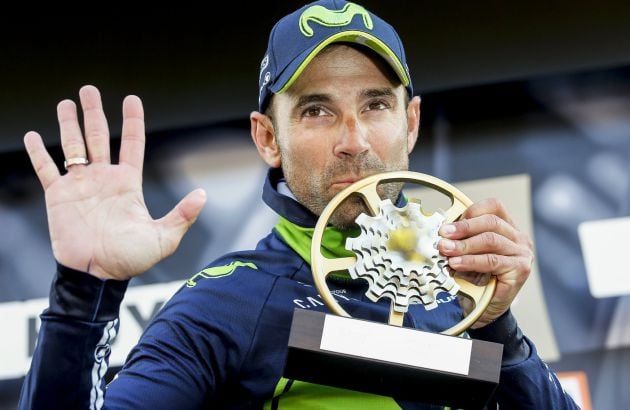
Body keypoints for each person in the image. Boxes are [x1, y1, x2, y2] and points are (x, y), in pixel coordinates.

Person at [18, 0, 578, 408]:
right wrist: (83, 292)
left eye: (376, 104)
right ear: (267, 139)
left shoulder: (464, 296)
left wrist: (500, 329)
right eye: (317, 111)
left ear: (410, 124)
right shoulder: (225, 304)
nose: (353, 140)